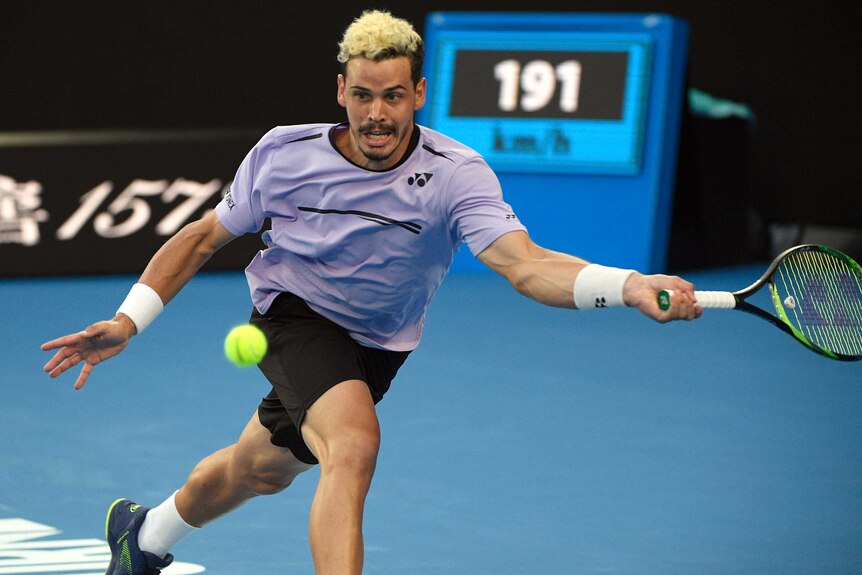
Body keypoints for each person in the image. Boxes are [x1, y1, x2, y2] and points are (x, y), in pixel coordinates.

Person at [41, 9, 702, 575]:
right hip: (292, 314)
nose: (376, 114)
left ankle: (143, 536)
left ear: (418, 93)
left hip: (380, 345)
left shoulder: (455, 174)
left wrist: (629, 285)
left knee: (258, 468)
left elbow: (524, 265)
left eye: (392, 96)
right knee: (353, 445)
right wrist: (129, 321)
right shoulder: (283, 155)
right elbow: (201, 239)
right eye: (362, 95)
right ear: (340, 91)